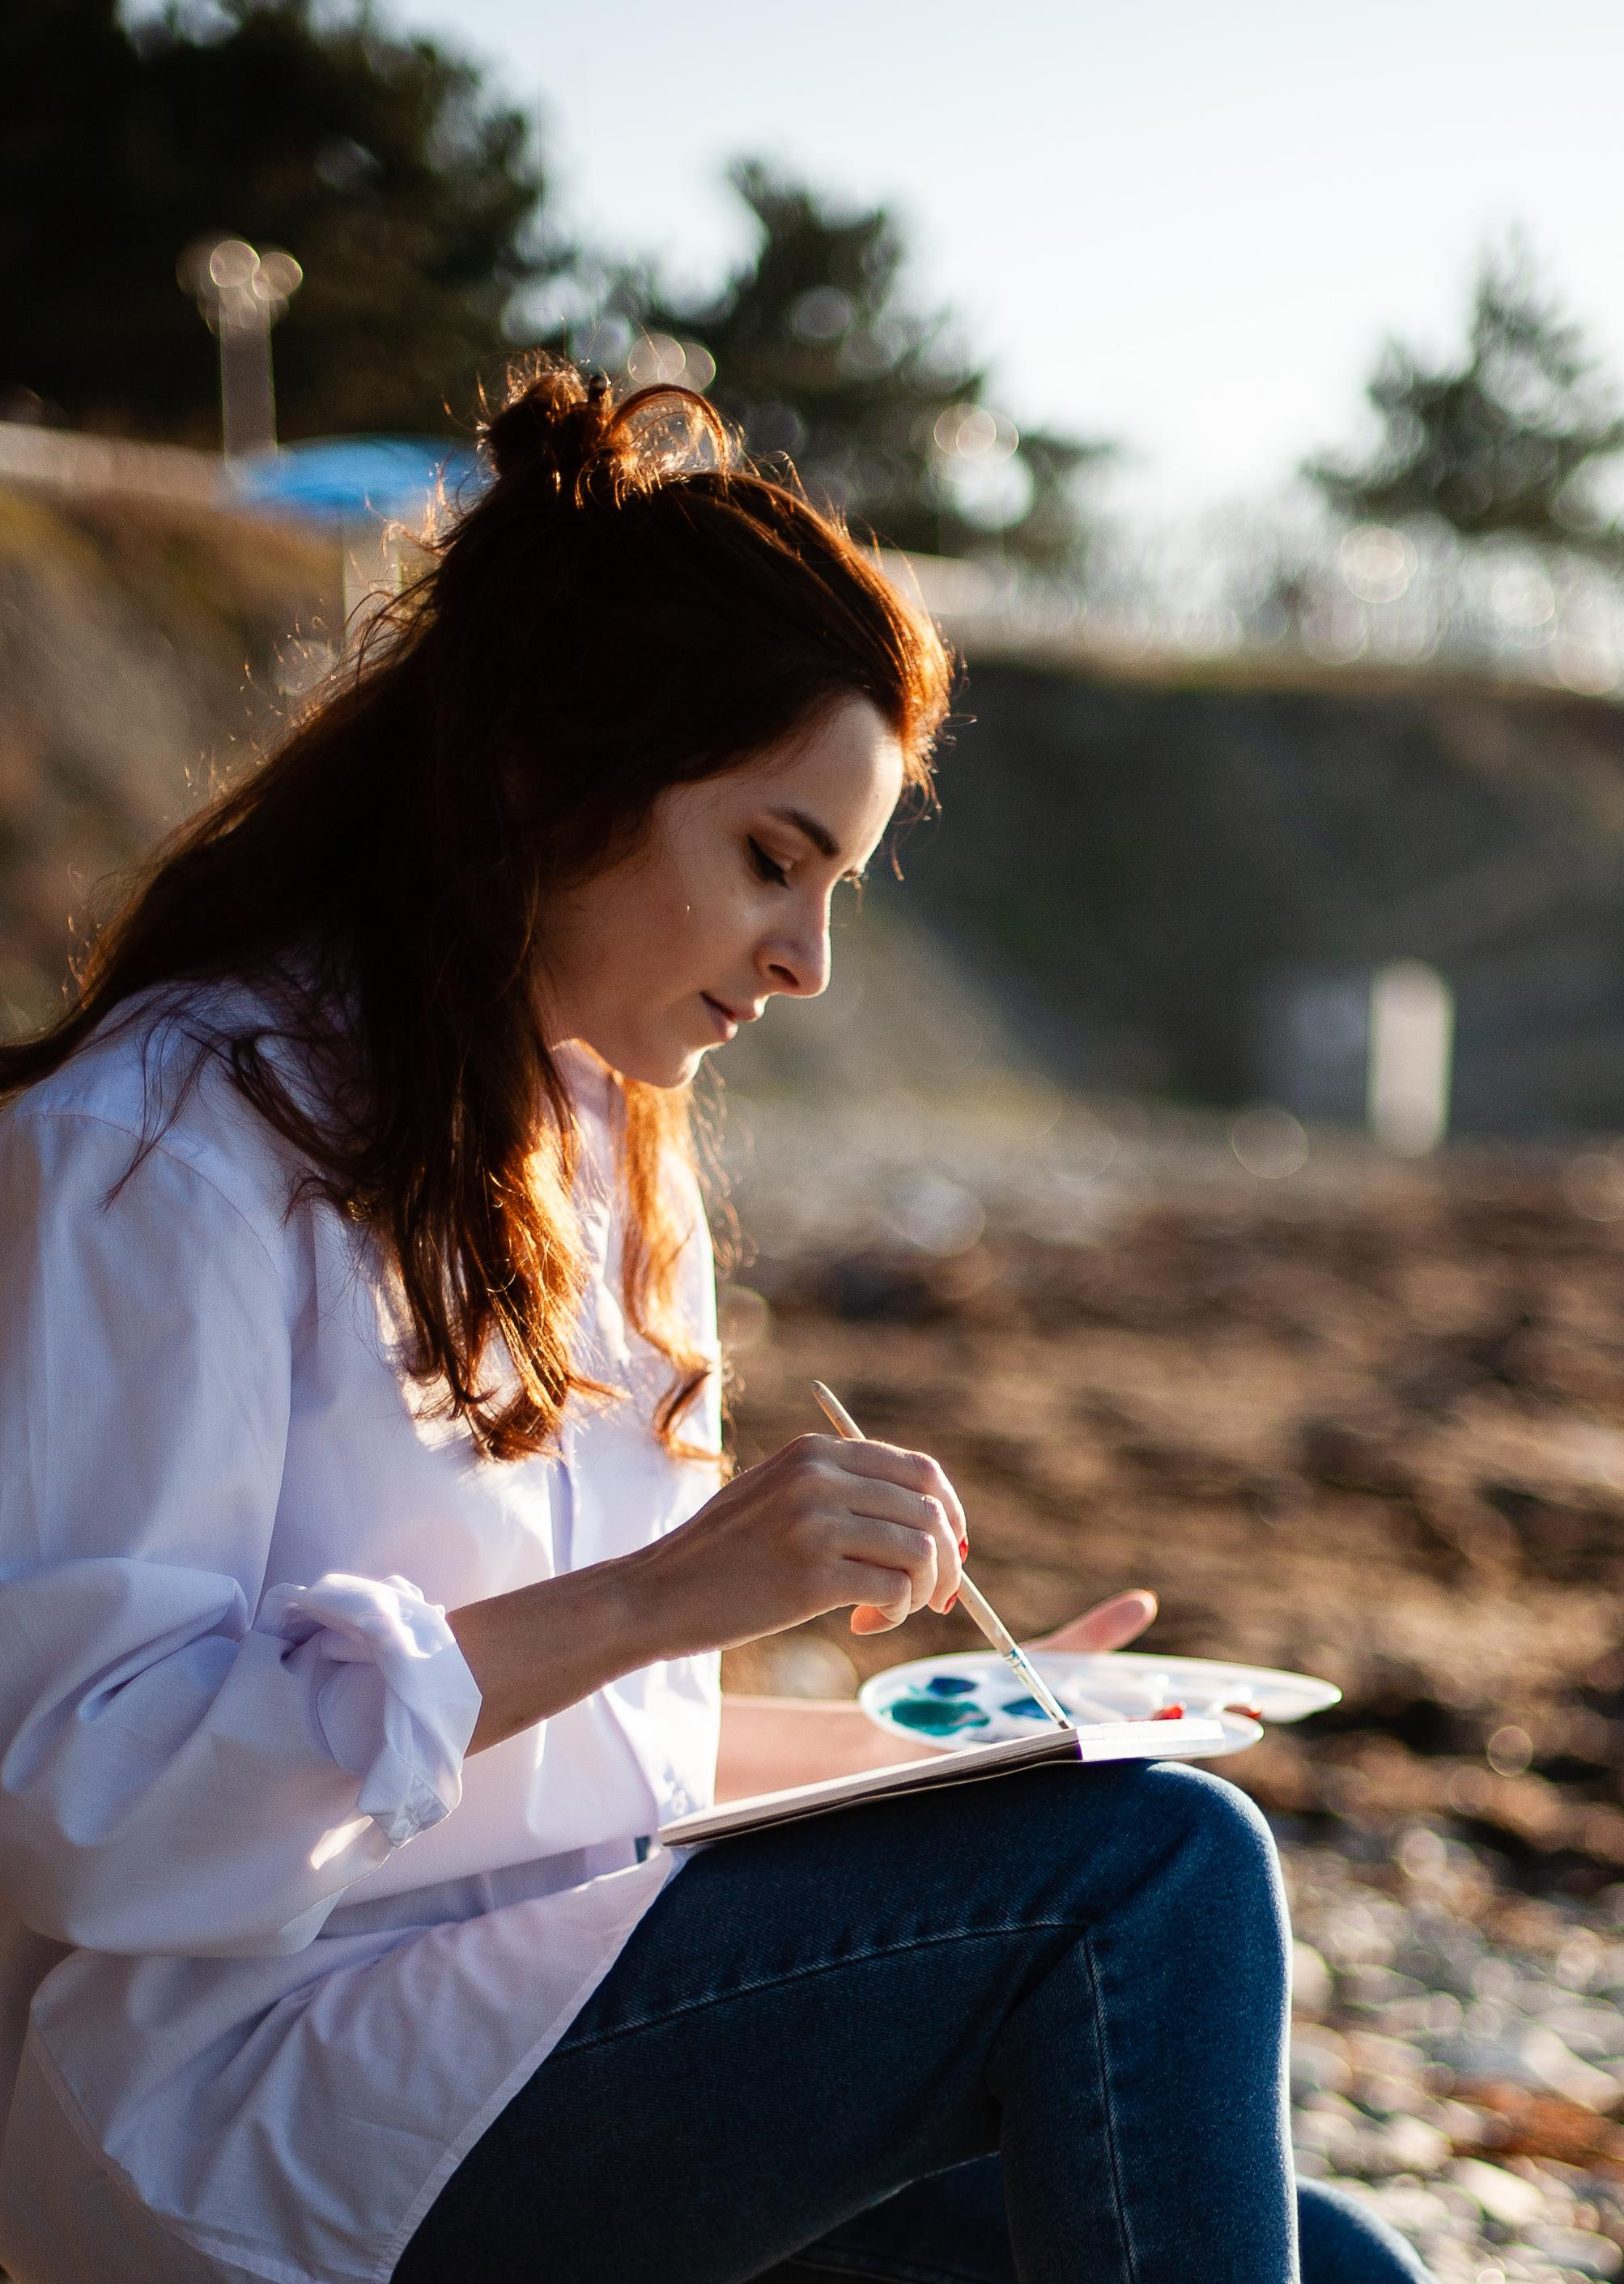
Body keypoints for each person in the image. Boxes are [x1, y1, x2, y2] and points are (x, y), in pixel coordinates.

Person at [0, 361, 1430, 2284]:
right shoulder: (173, 1141)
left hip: (542, 2032)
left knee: (1326, 2255)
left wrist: (963, 1758)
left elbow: (581, 1767)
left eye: (836, 886)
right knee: (1160, 1872)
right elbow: (82, 1806)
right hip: (250, 2119)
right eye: (772, 856)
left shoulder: (590, 1139)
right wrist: (671, 1591)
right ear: (543, 776)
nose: (808, 961)